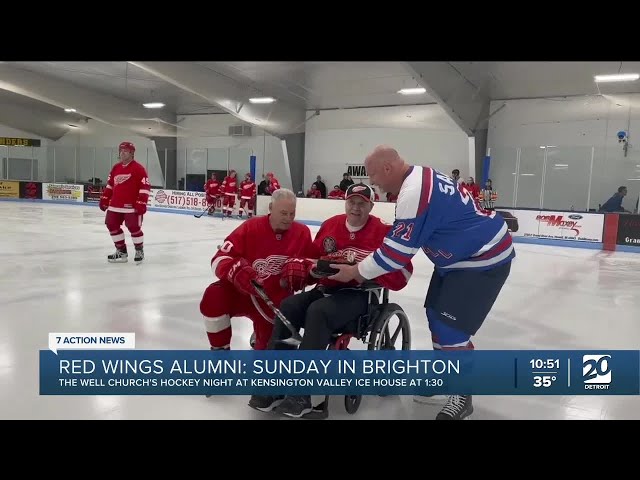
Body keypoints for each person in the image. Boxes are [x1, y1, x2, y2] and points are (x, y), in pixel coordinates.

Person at [328, 146, 515, 420]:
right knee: (434, 315)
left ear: (388, 168)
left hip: (481, 259)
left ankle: (463, 394)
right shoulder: (420, 176)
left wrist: (355, 271)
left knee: (450, 328)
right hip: (456, 260)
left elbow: (396, 255)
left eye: (373, 175)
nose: (374, 183)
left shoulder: (414, 193)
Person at [248, 183, 414, 417]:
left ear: (371, 206)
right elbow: (312, 259)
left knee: (319, 311)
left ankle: (302, 394)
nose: (356, 208)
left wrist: (360, 271)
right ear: (345, 203)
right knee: (289, 306)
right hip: (326, 289)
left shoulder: (383, 231)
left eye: (362, 203)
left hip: (360, 296)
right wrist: (310, 270)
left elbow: (403, 272)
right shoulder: (331, 225)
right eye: (352, 202)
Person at [199, 188, 313, 351]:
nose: (288, 219)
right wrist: (235, 272)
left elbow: (312, 264)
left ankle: (260, 337)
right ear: (271, 208)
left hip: (274, 303)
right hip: (243, 294)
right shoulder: (250, 227)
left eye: (291, 214)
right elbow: (219, 259)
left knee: (270, 361)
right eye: (283, 213)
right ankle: (220, 351)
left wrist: (304, 270)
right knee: (214, 296)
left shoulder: (302, 233)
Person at [99, 141, 150, 264]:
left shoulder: (139, 169)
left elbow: (145, 187)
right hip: (115, 205)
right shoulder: (116, 168)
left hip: (131, 206)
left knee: (134, 227)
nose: (122, 153)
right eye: (121, 151)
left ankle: (139, 251)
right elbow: (110, 185)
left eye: (125, 151)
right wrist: (105, 198)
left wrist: (141, 202)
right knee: (111, 225)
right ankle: (121, 252)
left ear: (132, 153)